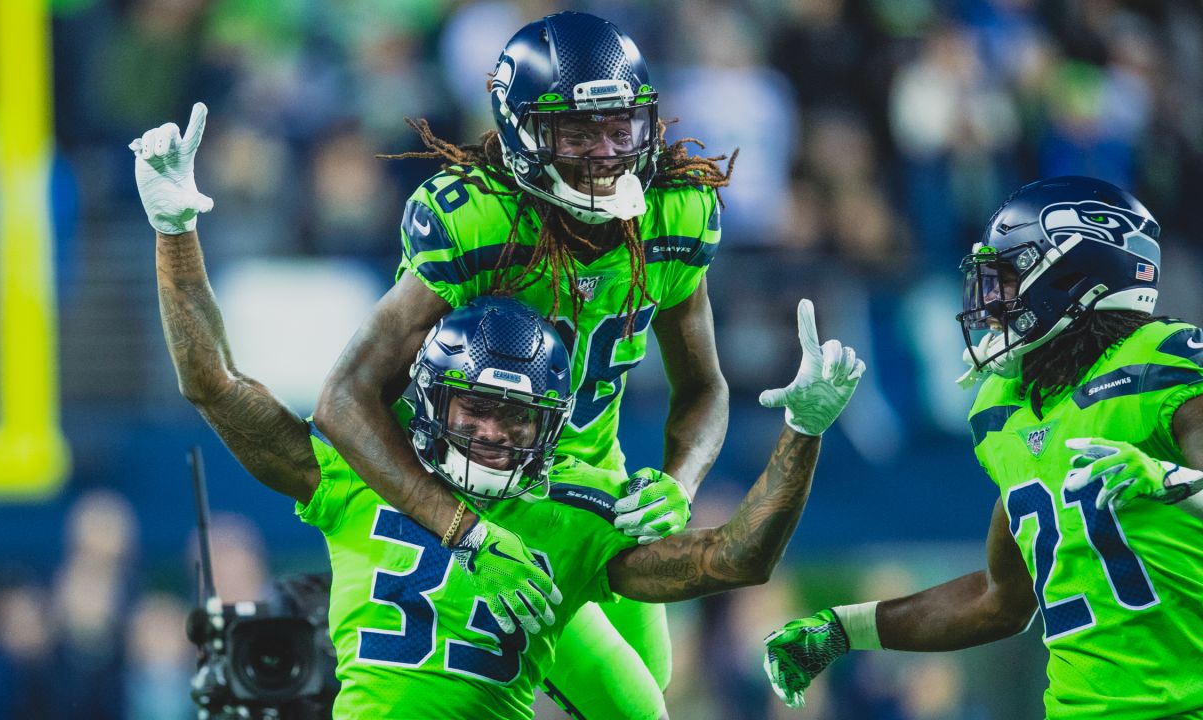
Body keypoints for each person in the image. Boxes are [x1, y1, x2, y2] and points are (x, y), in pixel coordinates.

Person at [129, 105, 866, 718]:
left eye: (517, 418)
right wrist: (174, 233)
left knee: (649, 699)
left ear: (554, 429)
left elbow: (737, 557)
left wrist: (801, 433)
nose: (489, 431)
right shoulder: (360, 473)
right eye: (472, 406)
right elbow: (218, 385)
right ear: (424, 396)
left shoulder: (570, 508)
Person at [312, 11, 739, 717]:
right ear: (524, 132)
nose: (606, 152)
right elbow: (344, 398)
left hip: (588, 484)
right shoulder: (479, 222)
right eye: (576, 130)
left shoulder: (677, 212)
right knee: (634, 708)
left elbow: (705, 387)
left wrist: (679, 481)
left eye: (619, 126)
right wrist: (459, 526)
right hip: (480, 481)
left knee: (654, 676)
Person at [763, 176, 1203, 719]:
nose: (992, 300)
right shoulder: (1005, 409)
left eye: (1010, 277)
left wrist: (1171, 483)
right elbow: (999, 599)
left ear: (1075, 275)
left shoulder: (1161, 363)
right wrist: (841, 629)